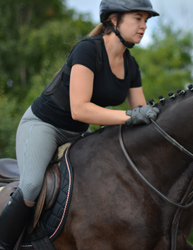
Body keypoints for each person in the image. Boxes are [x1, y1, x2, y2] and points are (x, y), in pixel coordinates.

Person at [0, 0, 160, 248]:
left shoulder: (132, 66)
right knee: (31, 185)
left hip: (79, 134)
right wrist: (130, 116)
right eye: (138, 18)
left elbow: (140, 114)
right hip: (44, 125)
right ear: (114, 20)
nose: (144, 26)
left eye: (146, 21)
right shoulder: (88, 50)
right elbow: (80, 108)